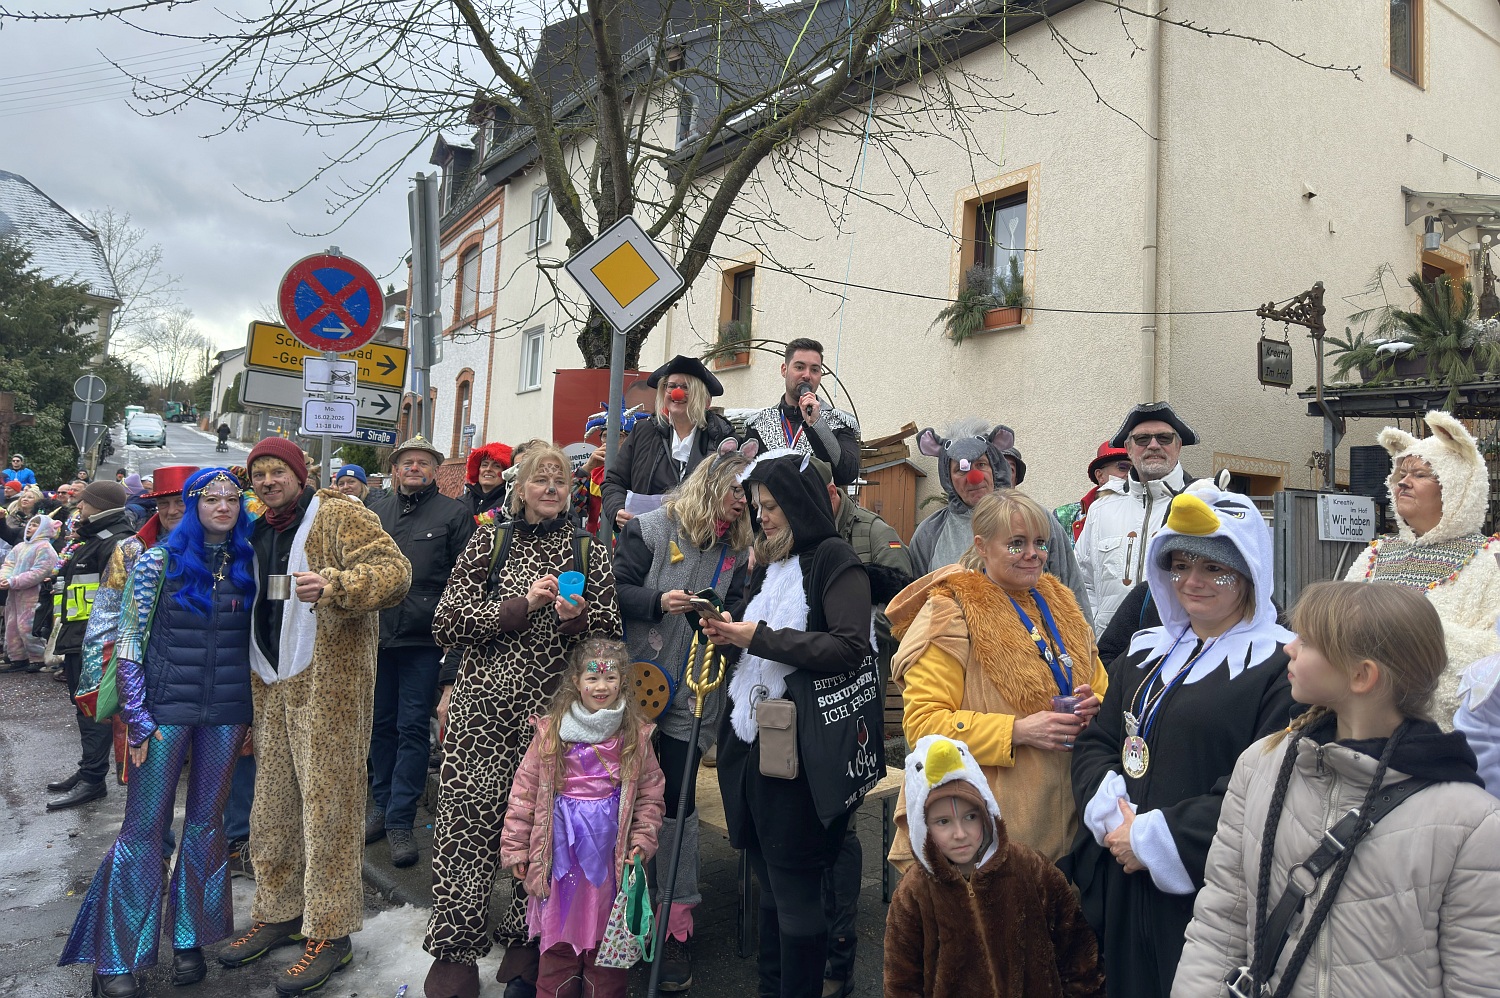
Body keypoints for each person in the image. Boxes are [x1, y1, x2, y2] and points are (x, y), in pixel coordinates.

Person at [1173, 581, 1500, 998]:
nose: (1289, 648)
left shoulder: (1472, 822)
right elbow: (1219, 924)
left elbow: (1479, 981)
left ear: (1362, 675)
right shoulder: (1260, 765)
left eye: (1308, 641)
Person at [1069, 480, 1296, 998]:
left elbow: (1265, 789)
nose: (1192, 581)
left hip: (1207, 892)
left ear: (1249, 573)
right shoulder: (1145, 653)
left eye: (1215, 568)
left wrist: (1154, 839)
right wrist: (1113, 820)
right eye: (1181, 565)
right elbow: (1099, 742)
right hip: (1126, 879)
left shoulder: (1280, 667)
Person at [425, 440, 622, 998]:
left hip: (551, 714)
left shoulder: (589, 550)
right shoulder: (491, 540)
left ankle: (526, 939)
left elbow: (608, 641)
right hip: (483, 710)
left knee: (541, 826)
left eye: (561, 481)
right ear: (521, 486)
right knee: (469, 825)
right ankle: (455, 948)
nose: (552, 489)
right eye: (541, 479)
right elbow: (445, 623)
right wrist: (519, 607)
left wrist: (574, 621)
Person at [216, 438, 411, 996]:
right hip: (271, 684)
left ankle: (330, 932)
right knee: (272, 808)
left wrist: (338, 585)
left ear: (301, 474)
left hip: (330, 689)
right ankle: (279, 912)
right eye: (260, 473)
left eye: (279, 471)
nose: (269, 480)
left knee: (330, 812)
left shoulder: (339, 513)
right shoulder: (255, 529)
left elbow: (394, 573)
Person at [58, 468, 257, 998]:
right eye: (210, 498)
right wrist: (139, 718)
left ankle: (190, 938)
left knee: (206, 827)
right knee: (144, 831)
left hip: (226, 713)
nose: (222, 506)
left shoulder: (250, 562)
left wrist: (253, 715)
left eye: (232, 498)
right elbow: (128, 641)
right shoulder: (155, 561)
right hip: (164, 712)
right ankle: (117, 960)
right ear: (191, 506)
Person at [702, 450, 876, 998]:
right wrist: (726, 634)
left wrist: (755, 636)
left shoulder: (835, 558)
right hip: (756, 746)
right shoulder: (771, 564)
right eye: (758, 506)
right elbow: (759, 650)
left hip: (802, 756)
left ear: (799, 504)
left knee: (797, 898)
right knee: (771, 892)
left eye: (773, 505)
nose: (764, 517)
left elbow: (850, 647)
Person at [887, 488, 1107, 868]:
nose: (1033, 554)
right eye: (1016, 544)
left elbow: (1099, 680)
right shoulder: (951, 612)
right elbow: (924, 725)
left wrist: (1095, 703)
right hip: (989, 830)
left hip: (1071, 826)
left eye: (1040, 543)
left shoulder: (1060, 601)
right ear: (982, 545)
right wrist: (1017, 731)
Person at [612, 445, 753, 990]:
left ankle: (676, 925)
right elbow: (613, 591)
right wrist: (655, 601)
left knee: (677, 806)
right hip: (637, 688)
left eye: (749, 493)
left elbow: (743, 615)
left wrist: (727, 625)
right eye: (736, 489)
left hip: (696, 696)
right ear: (710, 483)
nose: (743, 501)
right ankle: (627, 908)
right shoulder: (651, 528)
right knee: (627, 799)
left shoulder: (740, 550)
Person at [501, 638, 666, 998]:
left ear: (622, 682)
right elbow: (524, 792)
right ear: (576, 682)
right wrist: (515, 845)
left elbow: (651, 796)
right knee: (558, 940)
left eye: (610, 678)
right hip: (560, 858)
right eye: (592, 678)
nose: (601, 687)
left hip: (610, 859)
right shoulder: (550, 733)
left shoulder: (634, 736)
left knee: (606, 941)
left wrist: (642, 841)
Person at [883, 734, 1105, 998]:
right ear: (923, 828)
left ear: (986, 812)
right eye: (943, 822)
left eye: (970, 817)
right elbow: (902, 982)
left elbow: (1077, 953)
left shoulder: (1029, 868)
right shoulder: (914, 894)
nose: (960, 833)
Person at [809, 457, 913, 998]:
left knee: (841, 822)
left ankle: (840, 953)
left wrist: (844, 615)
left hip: (853, 684)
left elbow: (902, 603)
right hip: (804, 689)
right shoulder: (787, 534)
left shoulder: (873, 532)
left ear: (831, 491)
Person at [1343, 410, 1499, 724]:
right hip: (1354, 723)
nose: (1403, 482)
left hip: (1442, 737)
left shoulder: (1490, 560)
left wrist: (1398, 632)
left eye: (1419, 474)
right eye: (1401, 474)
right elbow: (1336, 625)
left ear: (1456, 486)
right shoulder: (1375, 554)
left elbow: (1491, 658)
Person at [368, 435, 475, 868]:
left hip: (424, 639)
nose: (414, 468)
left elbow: (465, 582)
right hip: (377, 636)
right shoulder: (376, 513)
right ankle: (379, 804)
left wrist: (452, 651)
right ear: (395, 469)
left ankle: (400, 820)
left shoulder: (454, 513)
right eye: (407, 462)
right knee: (380, 724)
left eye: (423, 462)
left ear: (435, 470)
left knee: (413, 728)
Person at [909, 420, 1090, 619]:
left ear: (994, 468)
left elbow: (1072, 589)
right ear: (948, 478)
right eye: (961, 469)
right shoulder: (930, 532)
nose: (974, 476)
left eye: (981, 464)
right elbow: (918, 606)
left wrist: (1084, 646)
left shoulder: (1035, 518)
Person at [45, 480, 134, 811]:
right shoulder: (96, 538)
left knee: (94, 711)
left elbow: (120, 600)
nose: (78, 507)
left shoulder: (117, 542)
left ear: (100, 505)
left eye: (84, 502)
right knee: (83, 709)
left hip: (97, 643)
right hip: (79, 638)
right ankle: (87, 771)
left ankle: (93, 780)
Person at [1076, 401, 1199, 635]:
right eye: (1142, 439)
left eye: (1164, 438)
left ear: (1179, 445)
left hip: (1177, 648)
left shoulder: (1203, 502)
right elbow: (1082, 581)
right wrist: (1091, 631)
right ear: (1129, 448)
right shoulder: (1101, 509)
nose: (1153, 445)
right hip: (1108, 652)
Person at [603, 356, 735, 532]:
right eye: (671, 386)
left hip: (701, 543)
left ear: (701, 394)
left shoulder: (722, 437)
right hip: (645, 542)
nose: (676, 393)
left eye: (686, 387)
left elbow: (737, 494)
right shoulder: (643, 432)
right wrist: (617, 509)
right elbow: (613, 482)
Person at [742, 338, 860, 486]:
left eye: (815, 370)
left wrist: (818, 425)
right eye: (799, 367)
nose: (807, 375)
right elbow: (745, 478)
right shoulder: (759, 423)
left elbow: (847, 474)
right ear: (784, 370)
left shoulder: (839, 422)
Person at [0, 514, 60, 671]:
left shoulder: (45, 548)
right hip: (14, 594)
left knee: (28, 626)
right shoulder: (19, 547)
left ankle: (38, 657)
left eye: (35, 525)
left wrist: (14, 581)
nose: (30, 527)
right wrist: (4, 578)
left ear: (44, 529)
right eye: (30, 524)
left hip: (34, 594)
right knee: (12, 625)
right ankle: (18, 657)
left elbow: (39, 572)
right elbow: (9, 564)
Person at [1055, 441, 1133, 543]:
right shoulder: (1065, 516)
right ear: (1100, 476)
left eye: (1135, 470)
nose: (1131, 475)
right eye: (1123, 467)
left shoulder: (1146, 511)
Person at [464, 441, 515, 519]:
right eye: (484, 465)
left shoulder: (511, 505)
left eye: (496, 466)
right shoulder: (462, 502)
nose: (488, 469)